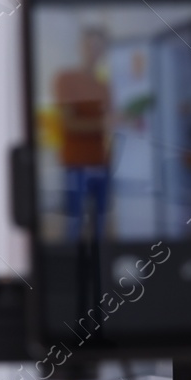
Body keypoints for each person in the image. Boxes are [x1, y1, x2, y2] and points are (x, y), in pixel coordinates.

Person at [52, 25, 114, 243]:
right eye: (90, 45)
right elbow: (69, 124)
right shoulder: (66, 79)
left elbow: (111, 123)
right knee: (73, 225)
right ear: (81, 47)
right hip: (76, 164)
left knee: (100, 226)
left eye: (99, 46)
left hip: (103, 163)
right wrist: (104, 122)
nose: (94, 51)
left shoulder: (104, 86)